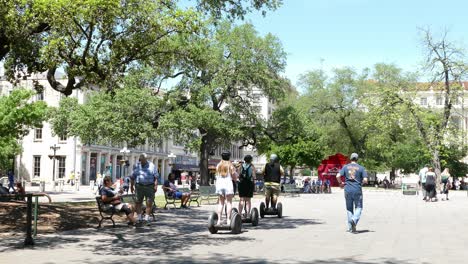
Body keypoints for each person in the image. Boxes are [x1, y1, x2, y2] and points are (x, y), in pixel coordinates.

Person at [336, 153, 368, 234]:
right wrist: (362, 183)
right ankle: (354, 219)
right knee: (359, 207)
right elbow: (365, 180)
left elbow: (337, 176)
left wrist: (340, 183)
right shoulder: (361, 168)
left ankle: (350, 228)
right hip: (357, 189)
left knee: (349, 208)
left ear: (350, 158)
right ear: (357, 159)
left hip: (347, 189)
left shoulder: (345, 167)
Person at [131, 153, 159, 226]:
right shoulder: (136, 166)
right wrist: (131, 186)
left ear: (146, 159)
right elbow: (132, 177)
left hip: (149, 186)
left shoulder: (152, 165)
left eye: (143, 160)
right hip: (139, 186)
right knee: (138, 202)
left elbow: (156, 176)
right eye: (140, 159)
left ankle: (146, 218)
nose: (141, 161)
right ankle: (139, 218)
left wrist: (155, 185)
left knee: (149, 202)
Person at [215, 151, 238, 226]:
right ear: (229, 157)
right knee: (229, 202)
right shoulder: (230, 165)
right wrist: (236, 179)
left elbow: (216, 175)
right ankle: (228, 220)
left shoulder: (218, 165)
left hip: (219, 185)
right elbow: (234, 177)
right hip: (228, 184)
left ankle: (219, 220)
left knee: (220, 203)